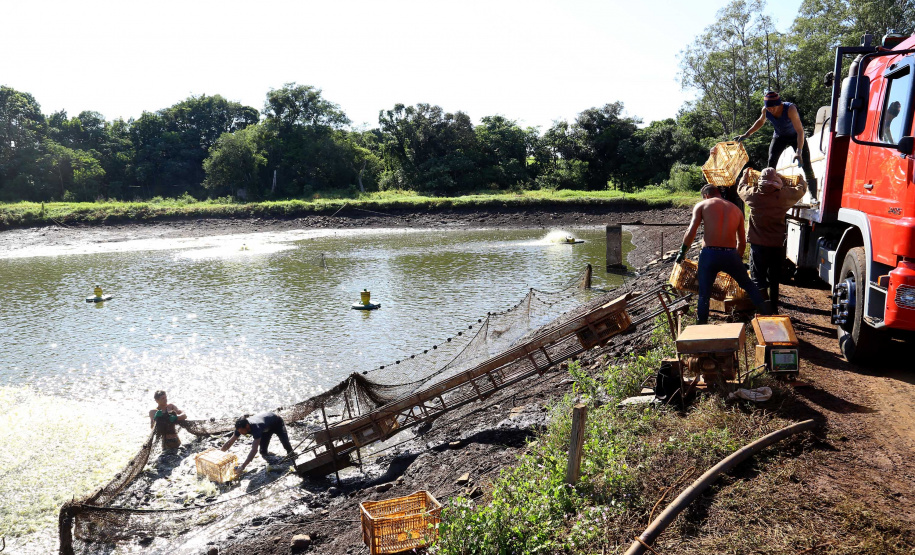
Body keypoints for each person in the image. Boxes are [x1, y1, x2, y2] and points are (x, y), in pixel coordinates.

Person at [675, 184, 769, 325]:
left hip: (709, 254)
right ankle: (767, 316)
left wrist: (682, 252)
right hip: (730, 254)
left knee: (704, 294)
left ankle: (701, 326)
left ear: (706, 195)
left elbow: (691, 231)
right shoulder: (736, 210)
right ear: (718, 193)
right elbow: (742, 242)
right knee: (748, 285)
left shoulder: (702, 205)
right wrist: (736, 259)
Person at [738, 167, 807, 314]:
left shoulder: (753, 195)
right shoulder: (783, 196)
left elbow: (741, 187)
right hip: (777, 246)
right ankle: (774, 309)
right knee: (774, 280)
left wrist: (744, 175)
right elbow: (801, 189)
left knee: (758, 279)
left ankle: (762, 310)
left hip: (758, 246)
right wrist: (801, 179)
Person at [735, 91, 817, 202]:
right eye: (768, 108)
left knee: (806, 164)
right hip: (779, 136)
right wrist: (747, 134)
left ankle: (813, 196)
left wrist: (798, 151)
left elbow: (800, 131)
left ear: (779, 104)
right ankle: (769, 193)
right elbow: (760, 121)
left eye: (773, 107)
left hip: (795, 136)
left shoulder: (790, 109)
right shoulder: (765, 110)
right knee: (771, 163)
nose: (771, 110)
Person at [221, 411, 293, 472]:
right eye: (239, 431)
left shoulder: (256, 428)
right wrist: (219, 454)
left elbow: (254, 450)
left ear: (247, 426)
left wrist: (242, 466)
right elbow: (230, 442)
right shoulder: (240, 428)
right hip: (265, 428)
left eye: (242, 431)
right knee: (263, 452)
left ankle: (292, 457)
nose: (241, 433)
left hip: (277, 422)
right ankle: (273, 460)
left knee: (285, 443)